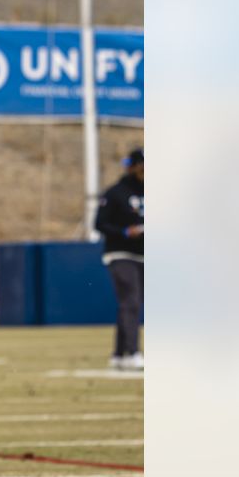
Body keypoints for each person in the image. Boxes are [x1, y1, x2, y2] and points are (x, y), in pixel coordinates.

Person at [94, 147, 144, 371]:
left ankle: (119, 354)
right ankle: (132, 352)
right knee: (130, 301)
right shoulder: (116, 193)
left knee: (130, 304)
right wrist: (125, 232)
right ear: (133, 167)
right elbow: (99, 224)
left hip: (145, 254)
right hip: (121, 253)